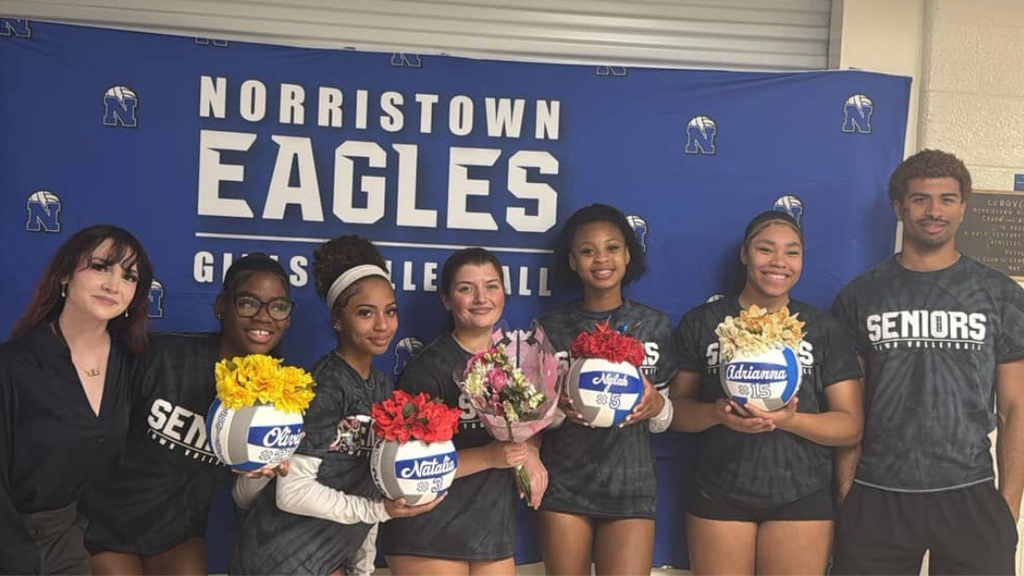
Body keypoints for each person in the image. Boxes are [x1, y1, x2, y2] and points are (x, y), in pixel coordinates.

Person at [830, 149, 1024, 575]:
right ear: (898, 208)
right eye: (919, 199)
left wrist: (1009, 504)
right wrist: (847, 490)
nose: (934, 211)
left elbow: (1014, 409)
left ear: (963, 207)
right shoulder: (861, 296)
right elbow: (850, 406)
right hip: (877, 490)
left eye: (947, 199)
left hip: (970, 490)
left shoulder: (1000, 294)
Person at [230, 235, 441, 576]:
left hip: (328, 557)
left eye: (390, 311)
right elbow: (292, 493)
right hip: (278, 553)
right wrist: (380, 512)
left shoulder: (384, 387)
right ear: (338, 320)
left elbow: (370, 481)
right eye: (365, 313)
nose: (382, 325)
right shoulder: (326, 384)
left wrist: (363, 565)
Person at [669, 209, 863, 575]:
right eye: (765, 249)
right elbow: (673, 412)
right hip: (720, 491)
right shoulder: (705, 323)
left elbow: (850, 426)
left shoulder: (822, 329)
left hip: (800, 494)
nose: (779, 262)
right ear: (744, 254)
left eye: (792, 252)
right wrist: (716, 414)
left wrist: (790, 420)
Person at [81, 253, 293, 575]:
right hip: (107, 524)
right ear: (221, 306)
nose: (264, 317)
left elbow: (246, 492)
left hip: (176, 534)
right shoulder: (163, 355)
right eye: (249, 303)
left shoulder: (276, 394)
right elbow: (95, 432)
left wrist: (261, 467)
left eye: (278, 307)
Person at [380, 247, 547, 576]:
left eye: (492, 286)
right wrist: (488, 456)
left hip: (490, 531)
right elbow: (408, 465)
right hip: (428, 532)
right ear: (446, 299)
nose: (481, 298)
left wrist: (530, 450)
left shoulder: (516, 362)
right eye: (466, 288)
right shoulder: (428, 369)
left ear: (504, 294)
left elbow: (526, 430)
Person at [0, 224, 154, 574]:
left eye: (129, 276)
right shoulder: (12, 367)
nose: (113, 285)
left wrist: (249, 456)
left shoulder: (131, 363)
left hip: (67, 539)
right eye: (100, 267)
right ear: (66, 275)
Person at [535, 203, 676, 576]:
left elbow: (665, 419)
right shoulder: (550, 328)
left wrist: (656, 405)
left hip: (631, 486)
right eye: (587, 250)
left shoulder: (654, 325)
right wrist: (558, 408)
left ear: (629, 254)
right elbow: (533, 420)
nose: (601, 259)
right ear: (572, 260)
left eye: (612, 247)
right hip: (566, 486)